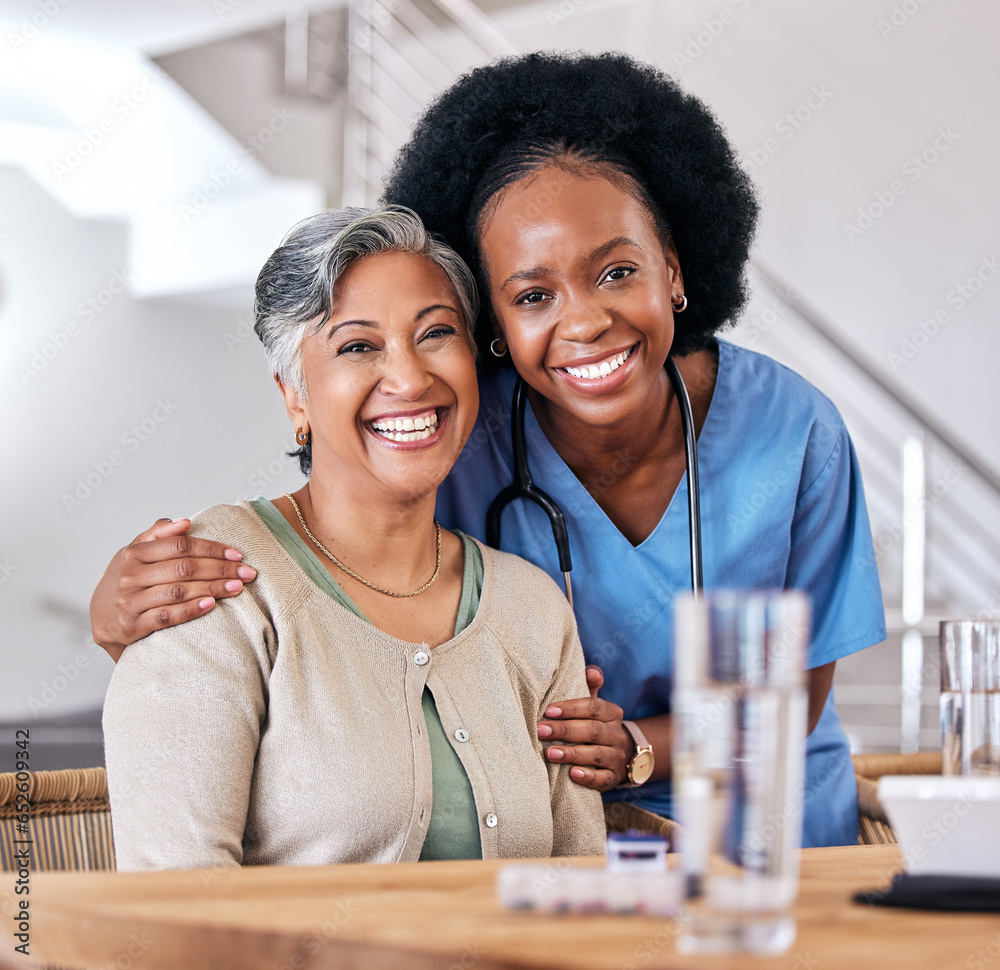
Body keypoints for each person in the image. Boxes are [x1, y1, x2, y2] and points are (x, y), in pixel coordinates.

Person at [92, 53, 885, 848]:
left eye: (617, 271)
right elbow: (339, 559)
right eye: (534, 295)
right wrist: (132, 620)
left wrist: (637, 746)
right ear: (494, 322)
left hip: (778, 842)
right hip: (577, 853)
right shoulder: (457, 435)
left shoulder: (796, 432)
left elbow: (793, 696)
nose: (583, 323)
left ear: (673, 269)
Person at [101, 205, 606, 870]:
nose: (409, 378)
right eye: (358, 346)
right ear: (295, 398)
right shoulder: (212, 579)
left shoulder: (532, 609)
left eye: (436, 334)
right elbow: (175, 910)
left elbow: (579, 889)